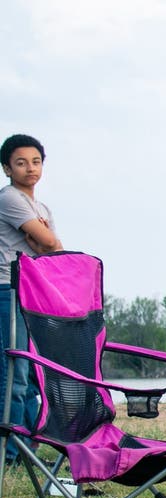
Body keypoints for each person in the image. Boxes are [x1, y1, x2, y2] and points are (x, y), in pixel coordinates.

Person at [1, 134, 63, 464]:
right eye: (21, 163)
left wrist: (45, 243)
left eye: (36, 162)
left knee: (32, 375)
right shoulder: (9, 198)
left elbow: (56, 249)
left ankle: (27, 449)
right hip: (7, 290)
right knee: (14, 374)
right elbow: (48, 243)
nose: (30, 169)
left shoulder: (41, 207)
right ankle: (9, 454)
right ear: (7, 168)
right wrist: (43, 241)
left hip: (31, 292)